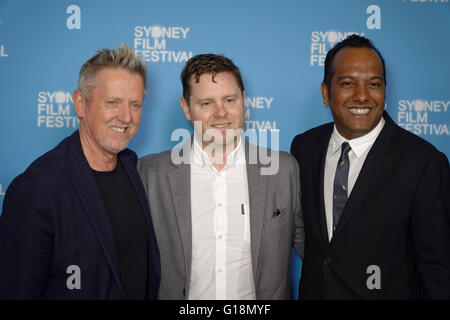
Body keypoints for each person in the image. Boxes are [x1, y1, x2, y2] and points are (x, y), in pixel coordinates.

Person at [291, 35, 450, 299]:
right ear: (325, 92)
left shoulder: (424, 163)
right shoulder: (304, 148)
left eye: (373, 84)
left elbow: (438, 271)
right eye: (348, 83)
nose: (362, 96)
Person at [138, 54, 304, 300]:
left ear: (244, 100)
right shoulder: (151, 173)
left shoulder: (283, 170)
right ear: (186, 108)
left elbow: (320, 256)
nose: (221, 113)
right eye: (206, 103)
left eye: (229, 100)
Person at [0, 44, 160, 299]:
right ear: (80, 104)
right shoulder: (37, 188)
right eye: (113, 102)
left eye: (135, 105)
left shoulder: (133, 167)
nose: (126, 117)